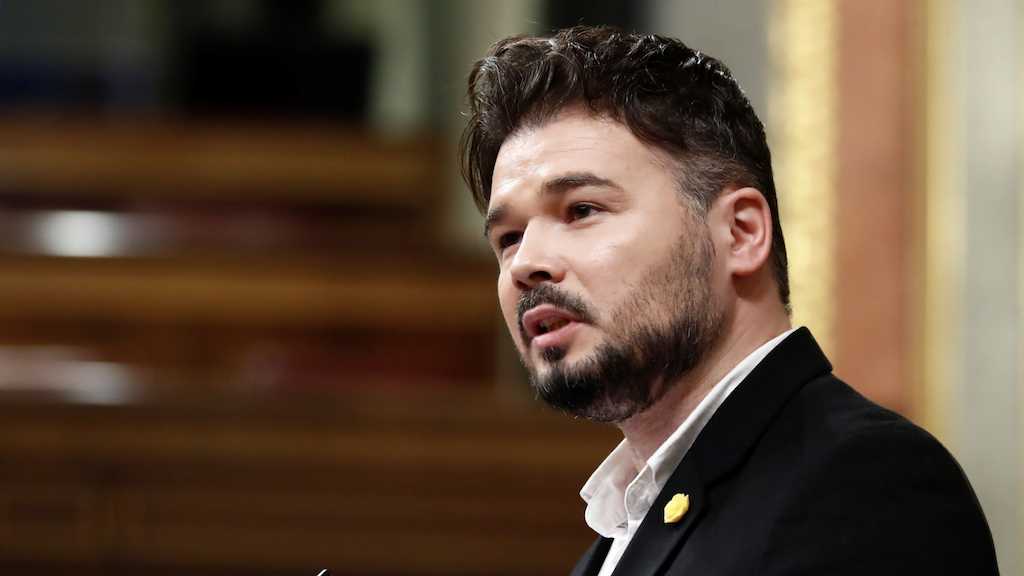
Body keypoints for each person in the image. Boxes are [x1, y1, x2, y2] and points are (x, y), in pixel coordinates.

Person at [459, 25, 999, 575]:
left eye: (582, 210)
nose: (525, 263)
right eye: (509, 238)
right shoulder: (615, 538)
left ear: (740, 234)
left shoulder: (867, 487)